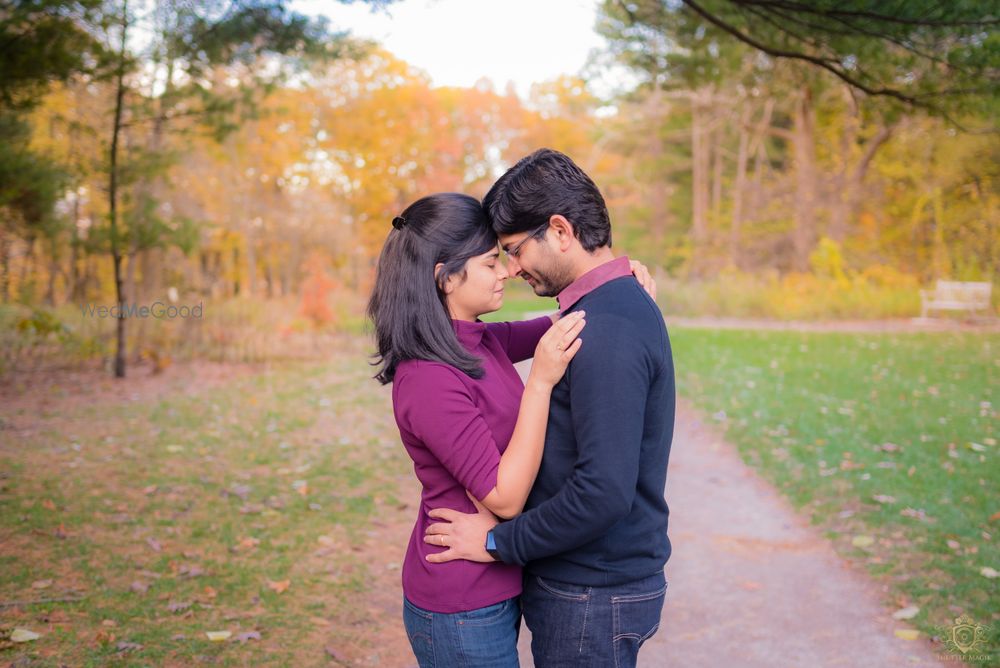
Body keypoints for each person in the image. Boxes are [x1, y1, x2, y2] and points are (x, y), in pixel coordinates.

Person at [368, 192, 656, 668]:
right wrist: (539, 382)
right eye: (489, 263)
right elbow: (503, 498)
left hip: (497, 582)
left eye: (503, 258)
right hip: (460, 599)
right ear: (444, 276)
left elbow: (567, 320)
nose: (506, 272)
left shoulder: (477, 339)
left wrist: (617, 280)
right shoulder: (429, 378)